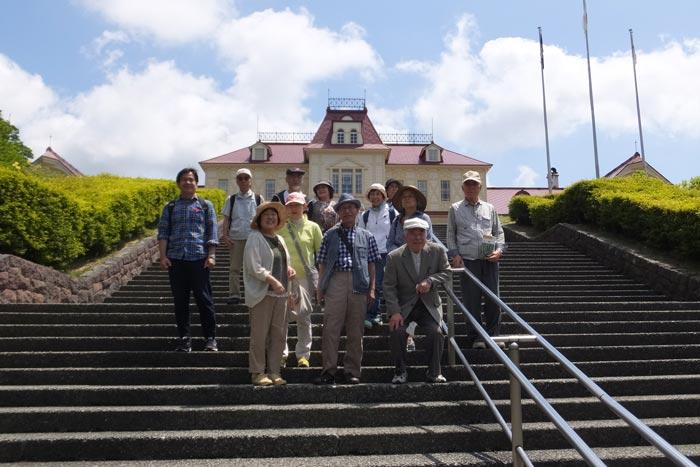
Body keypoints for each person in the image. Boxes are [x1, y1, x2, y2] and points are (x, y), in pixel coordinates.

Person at [314, 193, 379, 385]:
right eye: (344, 208)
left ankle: (352, 370)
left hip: (360, 282)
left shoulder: (367, 236)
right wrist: (320, 286)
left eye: (352, 207)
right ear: (338, 213)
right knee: (331, 328)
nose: (348, 211)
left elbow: (372, 264)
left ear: (358, 211)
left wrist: (372, 288)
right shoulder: (330, 235)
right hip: (336, 281)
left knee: (356, 329)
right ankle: (329, 370)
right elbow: (323, 263)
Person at [157, 168, 218, 352]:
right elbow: (163, 232)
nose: (188, 182)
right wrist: (163, 256)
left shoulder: (205, 205)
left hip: (199, 259)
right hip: (176, 259)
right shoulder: (170, 207)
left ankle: (210, 339)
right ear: (178, 183)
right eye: (184, 179)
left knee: (204, 300)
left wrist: (212, 255)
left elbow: (211, 231)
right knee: (180, 302)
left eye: (191, 179)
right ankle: (184, 340)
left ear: (196, 182)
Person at [384, 218, 450, 384]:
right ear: (405, 236)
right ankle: (400, 371)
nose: (417, 237)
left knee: (436, 332)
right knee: (397, 331)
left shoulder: (437, 251)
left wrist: (430, 281)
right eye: (413, 233)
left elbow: (447, 272)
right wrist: (395, 312)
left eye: (421, 233)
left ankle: (434, 372)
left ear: (427, 234)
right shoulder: (394, 257)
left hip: (429, 305)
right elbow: (389, 287)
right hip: (404, 306)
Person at [446, 170, 505, 349]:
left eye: (474, 184)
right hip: (468, 261)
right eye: (468, 184)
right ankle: (476, 337)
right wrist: (454, 254)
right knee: (471, 300)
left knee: (493, 299)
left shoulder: (490, 208)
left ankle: (494, 335)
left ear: (480, 187)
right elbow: (450, 234)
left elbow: (499, 232)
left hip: (489, 260)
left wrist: (500, 250)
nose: (471, 187)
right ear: (463, 187)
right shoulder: (455, 209)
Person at [243, 202, 296, 386]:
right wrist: (273, 280)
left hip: (281, 295)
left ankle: (274, 371)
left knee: (279, 334)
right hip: (262, 293)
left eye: (274, 215)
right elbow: (254, 266)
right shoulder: (254, 237)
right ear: (259, 219)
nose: (271, 217)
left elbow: (280, 261)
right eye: (267, 215)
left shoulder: (279, 239)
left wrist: (289, 270)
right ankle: (258, 372)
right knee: (259, 334)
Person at [278, 192, 323, 368]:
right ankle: (281, 353)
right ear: (286, 208)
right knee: (281, 317)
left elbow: (321, 255)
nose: (294, 208)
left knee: (304, 316)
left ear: (305, 207)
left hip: (305, 278)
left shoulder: (313, 227)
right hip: (282, 277)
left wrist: (321, 280)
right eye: (290, 205)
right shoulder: (280, 227)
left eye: (298, 205)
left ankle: (303, 354)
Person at [220, 168, 262, 305]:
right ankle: (234, 294)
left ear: (250, 181)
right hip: (235, 238)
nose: (243, 180)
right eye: (240, 178)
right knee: (234, 268)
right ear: (237, 181)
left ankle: (253, 294)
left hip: (253, 238)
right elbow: (226, 220)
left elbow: (263, 219)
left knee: (253, 267)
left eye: (246, 178)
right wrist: (224, 236)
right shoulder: (231, 199)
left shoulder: (258, 198)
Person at [357, 183, 396, 329]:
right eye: (372, 194)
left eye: (377, 193)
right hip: (371, 253)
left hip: (389, 252)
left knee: (386, 284)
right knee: (374, 284)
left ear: (383, 196)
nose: (375, 197)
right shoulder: (365, 215)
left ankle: (378, 313)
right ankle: (373, 314)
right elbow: (360, 234)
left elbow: (397, 230)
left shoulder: (392, 212)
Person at [386, 185, 441, 253]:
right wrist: (399, 254)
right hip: (399, 259)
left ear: (416, 200)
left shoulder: (424, 218)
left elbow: (428, 241)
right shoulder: (397, 220)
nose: (406, 199)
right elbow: (389, 243)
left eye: (410, 196)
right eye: (404, 197)